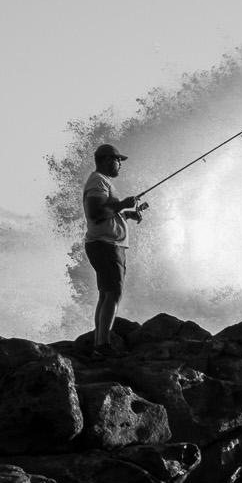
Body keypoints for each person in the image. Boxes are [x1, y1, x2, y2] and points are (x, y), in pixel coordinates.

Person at [81, 144, 147, 351]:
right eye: (119, 160)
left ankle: (100, 340)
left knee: (106, 293)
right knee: (113, 292)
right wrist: (122, 205)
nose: (120, 165)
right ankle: (103, 344)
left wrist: (127, 214)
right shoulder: (98, 181)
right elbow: (95, 213)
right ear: (108, 159)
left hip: (106, 245)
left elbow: (106, 214)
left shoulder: (102, 182)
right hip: (105, 246)